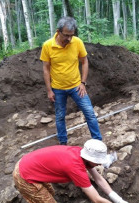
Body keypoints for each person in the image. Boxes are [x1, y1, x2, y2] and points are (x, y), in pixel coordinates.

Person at [40, 17, 102, 145]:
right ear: (58, 31)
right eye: (66, 35)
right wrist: (49, 90)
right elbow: (46, 69)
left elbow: (84, 62)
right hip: (58, 89)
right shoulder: (47, 46)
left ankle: (98, 142)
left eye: (71, 35)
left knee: (90, 113)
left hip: (76, 87)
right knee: (60, 116)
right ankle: (63, 144)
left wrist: (83, 83)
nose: (69, 39)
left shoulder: (77, 42)